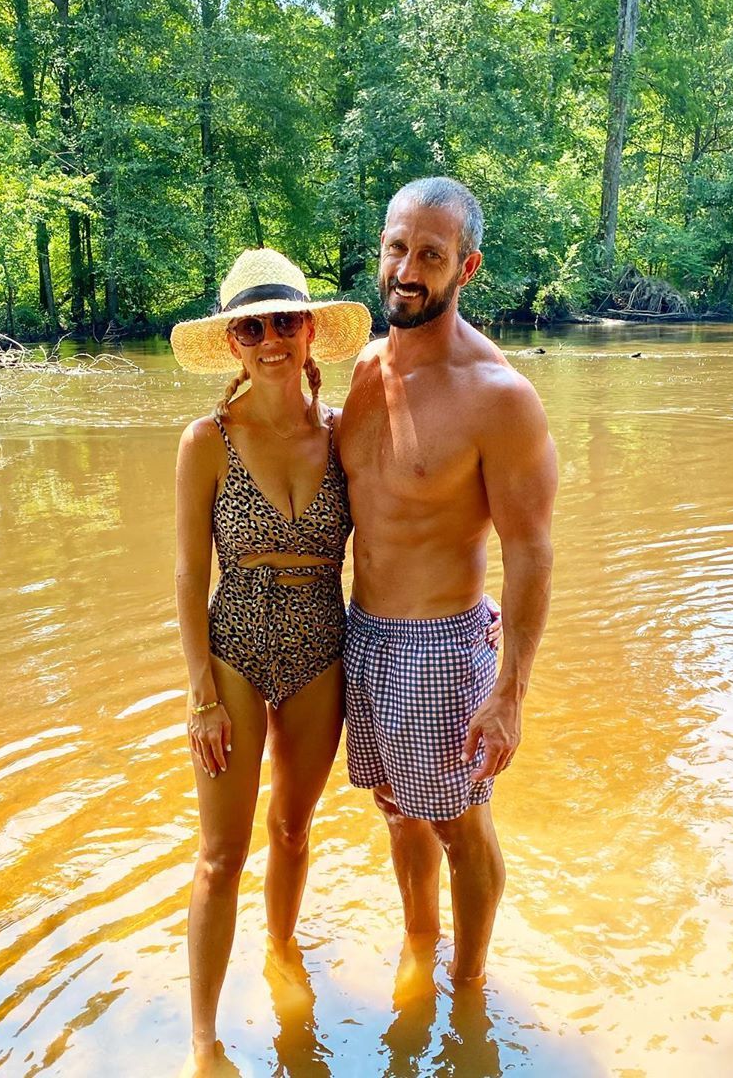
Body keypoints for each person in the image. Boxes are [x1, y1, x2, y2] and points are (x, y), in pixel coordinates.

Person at [340, 176, 558, 985]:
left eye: (430, 254)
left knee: (462, 825)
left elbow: (532, 549)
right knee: (397, 813)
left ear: (466, 268)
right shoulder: (361, 372)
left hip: (441, 645)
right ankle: (419, 948)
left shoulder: (499, 397)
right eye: (398, 247)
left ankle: (469, 991)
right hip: (361, 635)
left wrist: (510, 693)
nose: (407, 268)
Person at [171, 248, 371, 1071]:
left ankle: (282, 953)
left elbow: (409, 523)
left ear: (310, 331)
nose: (270, 339)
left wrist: (473, 605)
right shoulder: (206, 440)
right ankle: (204, 1040)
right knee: (221, 856)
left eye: (284, 321)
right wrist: (198, 695)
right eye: (251, 327)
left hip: (323, 645)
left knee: (291, 827)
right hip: (235, 654)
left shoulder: (346, 433)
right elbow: (188, 574)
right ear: (232, 344)